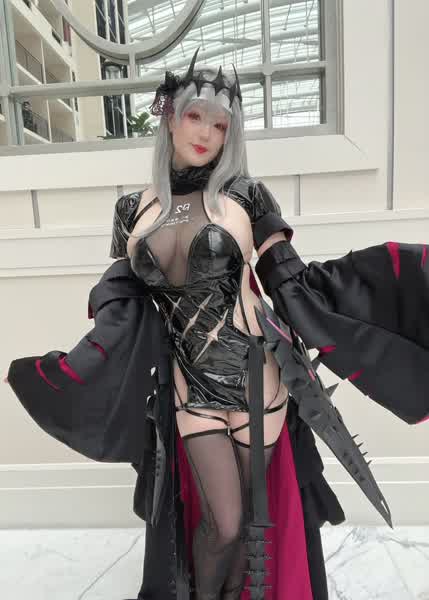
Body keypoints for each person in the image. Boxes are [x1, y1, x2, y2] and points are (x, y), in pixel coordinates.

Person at [6, 48, 429, 600]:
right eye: (195, 116)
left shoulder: (246, 196)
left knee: (252, 523)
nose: (207, 133)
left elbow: (292, 282)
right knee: (220, 524)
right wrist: (79, 365)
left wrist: (398, 278)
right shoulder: (132, 210)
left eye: (221, 124)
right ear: (169, 118)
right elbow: (124, 303)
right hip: (190, 385)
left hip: (256, 380)